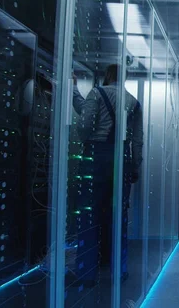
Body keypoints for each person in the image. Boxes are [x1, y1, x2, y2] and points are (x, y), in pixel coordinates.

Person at [71, 64, 143, 285]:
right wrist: (134, 166)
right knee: (118, 216)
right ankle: (119, 270)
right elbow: (137, 140)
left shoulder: (97, 93)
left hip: (96, 156)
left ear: (107, 75)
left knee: (88, 215)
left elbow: (84, 124)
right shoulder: (133, 101)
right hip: (122, 159)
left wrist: (73, 90)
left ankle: (86, 272)